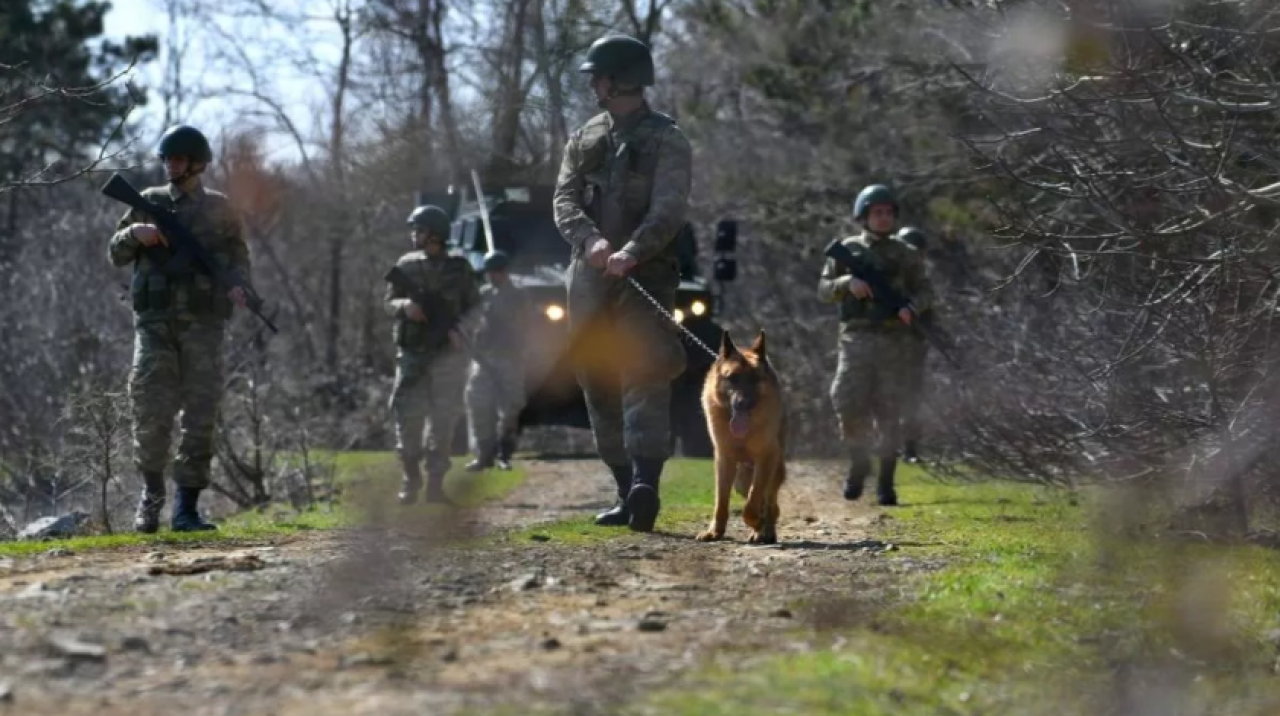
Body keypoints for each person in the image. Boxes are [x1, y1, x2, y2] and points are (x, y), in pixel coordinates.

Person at [552, 33, 692, 533]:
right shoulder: (585, 136)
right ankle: (622, 489)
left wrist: (633, 251)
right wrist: (590, 241)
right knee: (596, 378)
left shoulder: (667, 138)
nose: (592, 83)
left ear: (617, 79)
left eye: (598, 75)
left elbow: (670, 208)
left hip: (646, 276)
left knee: (645, 373)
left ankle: (646, 487)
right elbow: (564, 200)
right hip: (588, 278)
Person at [108, 124, 252, 533]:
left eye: (179, 159)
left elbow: (239, 260)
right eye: (167, 159)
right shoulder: (148, 202)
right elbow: (115, 253)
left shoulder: (221, 209)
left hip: (205, 327)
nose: (171, 165)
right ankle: (150, 501)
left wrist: (240, 287)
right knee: (151, 412)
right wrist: (134, 233)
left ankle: (186, 509)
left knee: (201, 416)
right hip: (154, 327)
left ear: (198, 164)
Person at [817, 184, 935, 506]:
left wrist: (912, 307)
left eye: (887, 213)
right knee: (846, 401)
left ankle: (886, 480)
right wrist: (847, 283)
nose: (882, 218)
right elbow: (824, 289)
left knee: (889, 412)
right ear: (864, 216)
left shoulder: (907, 254)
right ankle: (858, 460)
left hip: (895, 340)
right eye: (876, 213)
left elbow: (926, 290)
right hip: (856, 338)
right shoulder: (848, 249)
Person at [383, 205, 480, 505]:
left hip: (447, 357)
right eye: (415, 229)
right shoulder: (406, 265)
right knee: (407, 419)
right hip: (411, 354)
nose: (415, 235)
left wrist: (460, 331)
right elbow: (387, 302)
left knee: (443, 421)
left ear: (436, 234)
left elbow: (475, 309)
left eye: (420, 230)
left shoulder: (459, 268)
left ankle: (436, 485)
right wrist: (404, 307)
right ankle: (410, 480)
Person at [464, 250, 528, 472]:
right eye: (489, 272)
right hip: (483, 357)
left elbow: (522, 324)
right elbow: (470, 320)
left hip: (509, 357)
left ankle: (505, 454)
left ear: (504, 272)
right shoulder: (482, 295)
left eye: (496, 272)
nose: (492, 276)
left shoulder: (518, 295)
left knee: (510, 409)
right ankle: (483, 455)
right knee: (478, 404)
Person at [895, 225, 930, 464]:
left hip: (913, 347)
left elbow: (930, 311)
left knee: (911, 399)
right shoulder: (891, 278)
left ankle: (910, 448)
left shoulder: (921, 282)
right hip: (885, 345)